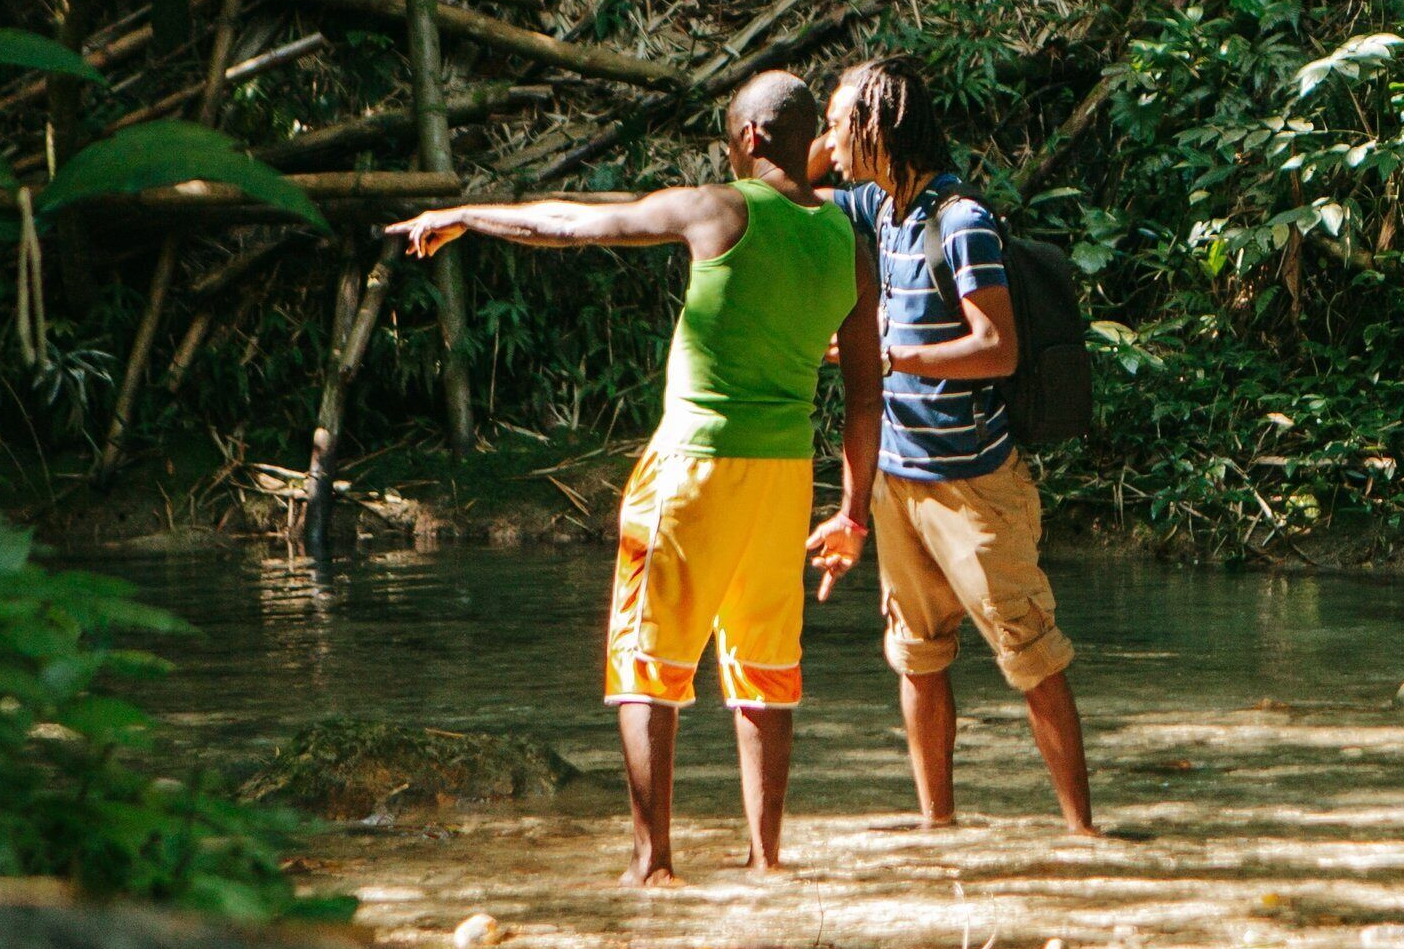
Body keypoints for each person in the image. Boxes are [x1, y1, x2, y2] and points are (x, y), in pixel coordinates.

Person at [382, 71, 856, 884]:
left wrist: (466, 213)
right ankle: (767, 861)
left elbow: (578, 225)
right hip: (785, 473)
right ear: (804, 137)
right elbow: (868, 392)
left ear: (746, 139)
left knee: (647, 663)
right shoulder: (850, 237)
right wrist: (853, 506)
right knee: (765, 667)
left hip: (693, 466)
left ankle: (653, 865)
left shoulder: (721, 208)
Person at [803, 57, 1095, 835]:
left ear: (879, 127)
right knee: (916, 655)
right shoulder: (879, 208)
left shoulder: (960, 222)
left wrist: (893, 357)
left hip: (972, 484)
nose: (829, 141)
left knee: (1031, 657)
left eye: (840, 125)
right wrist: (829, 122)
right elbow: (797, 185)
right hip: (897, 481)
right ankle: (938, 834)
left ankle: (1084, 836)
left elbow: (995, 348)